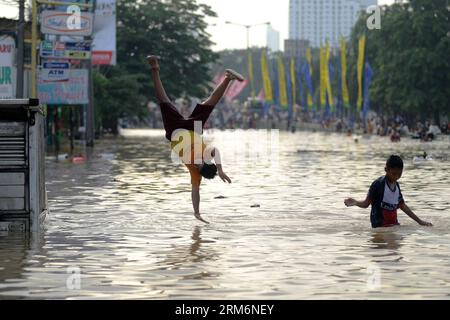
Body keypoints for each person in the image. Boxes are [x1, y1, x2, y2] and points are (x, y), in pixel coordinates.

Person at [147, 55, 244, 224]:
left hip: (175, 131)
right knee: (209, 104)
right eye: (201, 163)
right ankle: (228, 78)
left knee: (163, 101)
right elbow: (216, 151)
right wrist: (220, 169)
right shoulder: (206, 156)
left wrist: (197, 212)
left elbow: (195, 192)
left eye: (198, 165)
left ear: (198, 171)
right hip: (194, 130)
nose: (197, 163)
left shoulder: (195, 174)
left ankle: (154, 67)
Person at [344, 155, 433, 228]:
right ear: (386, 170)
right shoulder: (378, 185)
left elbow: (402, 206)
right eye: (394, 174)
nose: (396, 177)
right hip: (380, 228)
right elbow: (366, 204)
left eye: (399, 174)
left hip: (394, 226)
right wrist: (355, 202)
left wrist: (420, 222)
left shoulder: (397, 185)